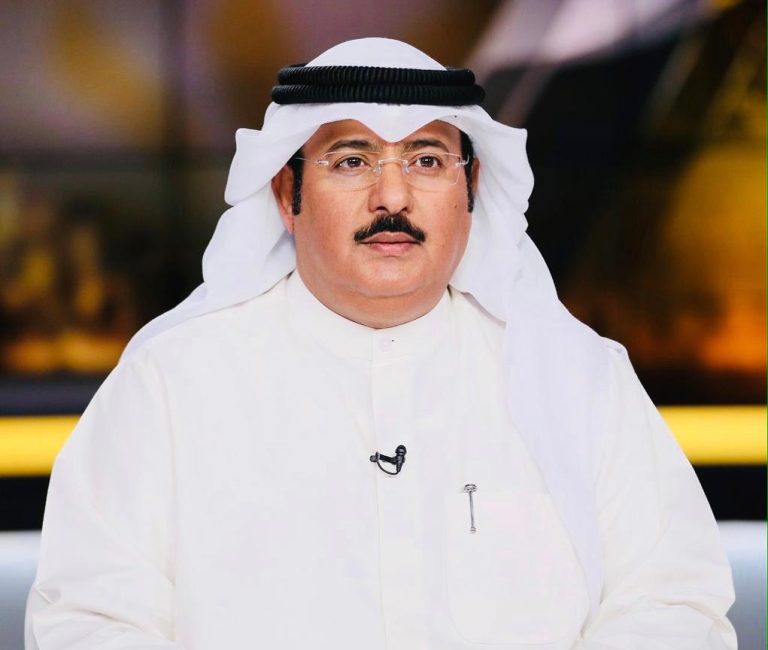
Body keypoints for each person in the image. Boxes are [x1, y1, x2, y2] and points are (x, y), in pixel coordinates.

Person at [26, 38, 736, 650]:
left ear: (471, 187)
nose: (391, 198)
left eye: (426, 160)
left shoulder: (578, 379)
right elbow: (89, 618)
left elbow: (674, 600)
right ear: (286, 193)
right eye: (351, 161)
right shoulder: (171, 383)